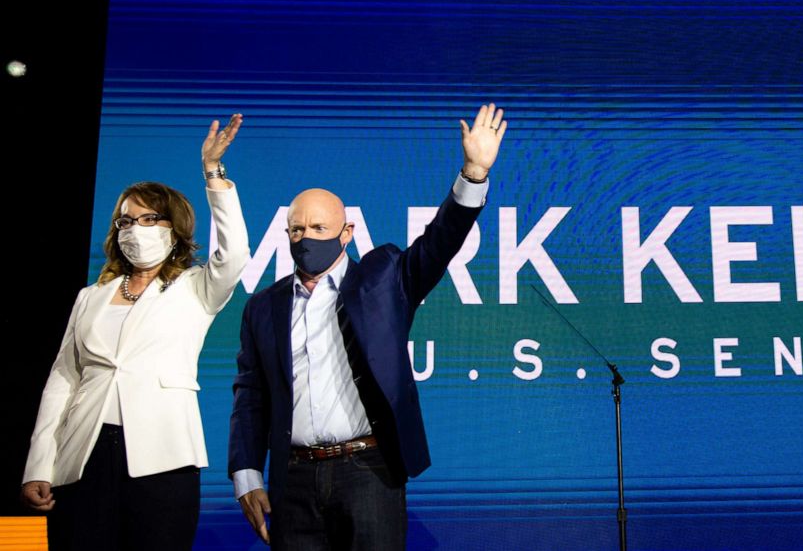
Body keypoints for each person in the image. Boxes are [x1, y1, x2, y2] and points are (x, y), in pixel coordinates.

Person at [229, 103, 507, 550]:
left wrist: (473, 172)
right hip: (292, 478)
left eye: (319, 227)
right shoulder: (263, 306)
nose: (306, 237)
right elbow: (251, 393)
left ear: (347, 232)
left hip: (368, 471)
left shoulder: (384, 279)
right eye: (296, 229)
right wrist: (246, 474)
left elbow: (440, 242)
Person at [21, 115, 251, 551]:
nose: (135, 230)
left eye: (149, 219)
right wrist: (39, 465)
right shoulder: (91, 296)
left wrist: (213, 173)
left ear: (174, 229)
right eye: (127, 221)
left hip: (162, 456)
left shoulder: (194, 288)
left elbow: (235, 252)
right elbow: (62, 382)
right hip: (82, 452)